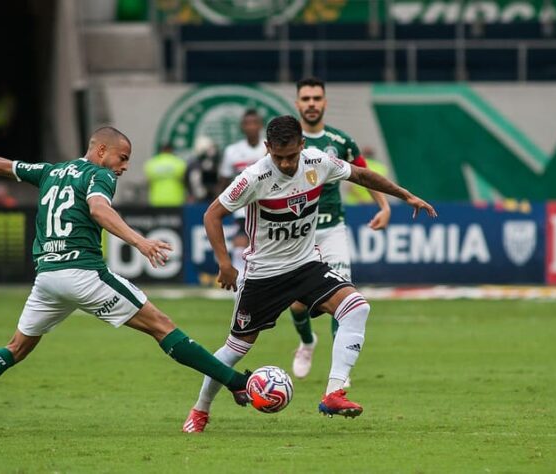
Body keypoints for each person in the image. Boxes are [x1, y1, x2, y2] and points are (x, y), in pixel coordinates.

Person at [0, 127, 251, 434]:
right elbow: (98, 210)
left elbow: (1, 166)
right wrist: (141, 242)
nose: (123, 167)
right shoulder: (100, 174)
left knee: (16, 348)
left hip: (47, 278)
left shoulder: (51, 171)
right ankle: (235, 381)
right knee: (161, 326)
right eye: (123, 158)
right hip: (82, 273)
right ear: (102, 150)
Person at [182, 116, 436, 433]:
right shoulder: (254, 177)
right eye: (279, 157)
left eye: (292, 155)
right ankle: (200, 410)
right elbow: (212, 215)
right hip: (264, 276)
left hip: (305, 266)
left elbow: (360, 174)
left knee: (357, 307)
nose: (286, 164)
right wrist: (224, 264)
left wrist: (405, 195)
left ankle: (333, 393)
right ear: (267, 149)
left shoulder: (318, 161)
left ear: (303, 145)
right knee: (235, 348)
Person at [290, 77, 391, 383]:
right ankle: (307, 342)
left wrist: (384, 207)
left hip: (332, 228)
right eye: (305, 98)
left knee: (342, 298)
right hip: (298, 234)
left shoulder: (341, 141)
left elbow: (364, 174)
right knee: (296, 305)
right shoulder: (288, 141)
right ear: (297, 103)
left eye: (316, 98)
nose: (311, 103)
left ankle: (339, 375)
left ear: (325, 102)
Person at [217, 109, 266, 289]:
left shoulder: (268, 148)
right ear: (242, 126)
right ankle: (239, 280)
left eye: (255, 123)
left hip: (266, 205)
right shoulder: (232, 151)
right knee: (240, 238)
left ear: (260, 125)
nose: (251, 127)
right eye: (247, 123)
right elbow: (224, 180)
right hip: (242, 206)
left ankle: (261, 280)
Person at [186, 136, 220, 203]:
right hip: (199, 199)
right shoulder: (195, 165)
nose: (213, 150)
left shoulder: (213, 163)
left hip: (211, 198)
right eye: (210, 148)